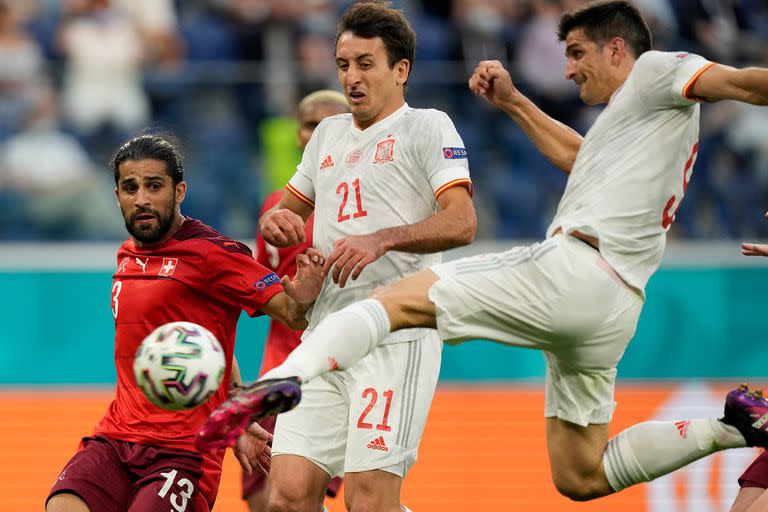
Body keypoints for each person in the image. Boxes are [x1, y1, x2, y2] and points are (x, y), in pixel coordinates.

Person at [203, 0, 768, 504]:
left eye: (576, 52)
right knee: (582, 474)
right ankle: (732, 427)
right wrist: (515, 101)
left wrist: (379, 241)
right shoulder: (636, 124)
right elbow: (580, 156)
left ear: (617, 47)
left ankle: (270, 387)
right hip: (616, 303)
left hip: (577, 267)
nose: (568, 69)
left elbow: (745, 84)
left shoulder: (655, 69)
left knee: (399, 300)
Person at [204, 3, 476, 511]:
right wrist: (275, 223)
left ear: (401, 70)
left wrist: (382, 239)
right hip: (325, 335)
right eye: (344, 64)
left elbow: (462, 222)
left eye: (365, 63)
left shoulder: (428, 127)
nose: (352, 76)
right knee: (284, 498)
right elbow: (283, 213)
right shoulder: (327, 135)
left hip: (395, 335)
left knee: (369, 503)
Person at [45, 132, 325, 512]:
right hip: (115, 438)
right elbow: (208, 345)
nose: (141, 199)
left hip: (184, 452)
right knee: (61, 506)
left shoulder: (214, 254)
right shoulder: (127, 254)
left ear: (179, 191)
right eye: (130, 187)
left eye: (154, 186)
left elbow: (292, 315)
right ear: (117, 196)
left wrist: (305, 293)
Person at [243, 89, 349, 512]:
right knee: (260, 497)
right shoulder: (276, 208)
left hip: (334, 367)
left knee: (302, 496)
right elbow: (260, 287)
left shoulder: (363, 208)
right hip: (278, 366)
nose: (316, 132)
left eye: (328, 123)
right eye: (309, 123)